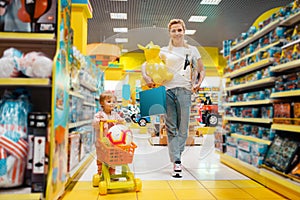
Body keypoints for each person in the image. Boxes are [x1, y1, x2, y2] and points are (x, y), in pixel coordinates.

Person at [142, 19, 205, 178]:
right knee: (171, 127)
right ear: (169, 33)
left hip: (185, 90)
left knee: (183, 127)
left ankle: (177, 153)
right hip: (167, 90)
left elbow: (202, 70)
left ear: (184, 31)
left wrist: (198, 82)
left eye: (179, 30)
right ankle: (176, 161)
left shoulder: (192, 50)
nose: (177, 33)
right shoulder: (163, 51)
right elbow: (146, 64)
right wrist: (146, 77)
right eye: (173, 30)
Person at [92, 91, 124, 179]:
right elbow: (94, 124)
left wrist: (121, 121)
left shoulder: (115, 115)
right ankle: (100, 172)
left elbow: (121, 121)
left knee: (112, 157)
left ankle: (112, 172)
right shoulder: (99, 115)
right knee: (101, 156)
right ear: (102, 103)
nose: (112, 104)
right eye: (109, 102)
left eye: (113, 102)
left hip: (113, 141)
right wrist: (99, 121)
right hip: (102, 140)